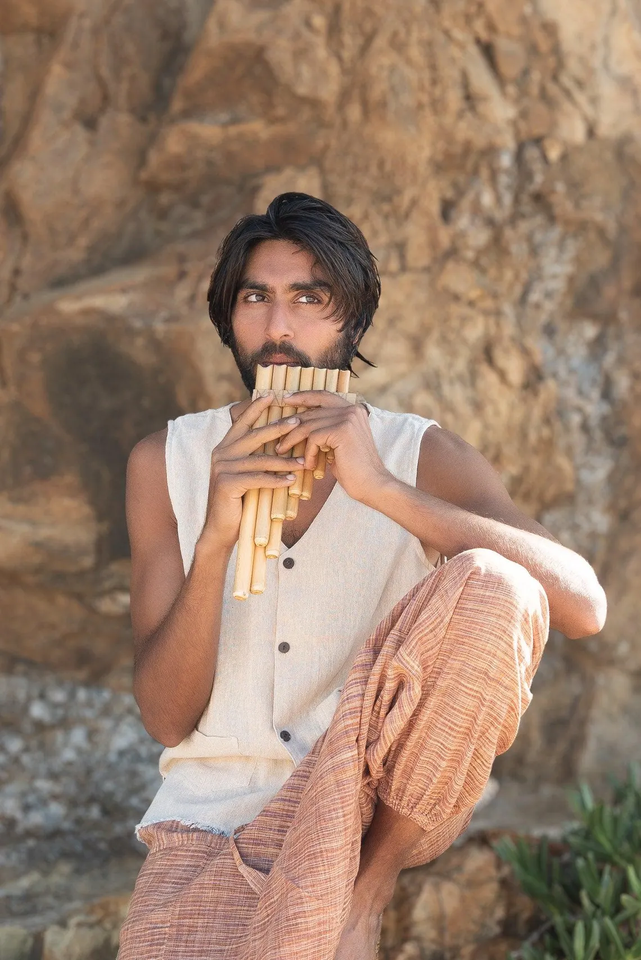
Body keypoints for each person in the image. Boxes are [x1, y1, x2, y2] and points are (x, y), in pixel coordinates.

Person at [117, 193, 606, 960]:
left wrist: (379, 488)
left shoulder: (417, 453)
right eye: (255, 297)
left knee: (497, 582)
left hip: (373, 797)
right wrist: (215, 538)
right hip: (214, 811)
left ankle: (365, 891)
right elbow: (166, 719)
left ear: (351, 319)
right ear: (229, 316)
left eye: (309, 298)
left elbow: (581, 604)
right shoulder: (165, 462)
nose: (279, 327)